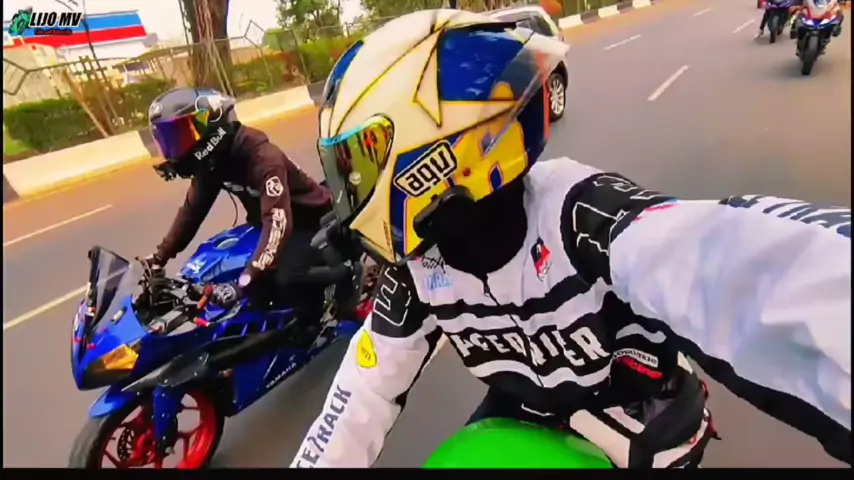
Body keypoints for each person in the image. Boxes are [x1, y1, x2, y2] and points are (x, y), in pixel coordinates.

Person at [291, 9, 851, 468]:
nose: (347, 189)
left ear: (433, 155)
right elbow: (358, 399)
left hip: (641, 417)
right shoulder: (417, 270)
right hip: (525, 415)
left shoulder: (586, 218)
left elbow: (754, 268)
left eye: (359, 161)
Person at [142, 87, 334, 346]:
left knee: (284, 277)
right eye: (170, 140)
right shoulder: (212, 162)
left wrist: (246, 281)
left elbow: (278, 222)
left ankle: (316, 319)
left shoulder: (262, 157)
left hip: (308, 220)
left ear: (213, 123)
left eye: (183, 135)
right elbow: (191, 213)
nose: (176, 148)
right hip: (264, 222)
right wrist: (158, 258)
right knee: (221, 267)